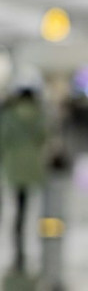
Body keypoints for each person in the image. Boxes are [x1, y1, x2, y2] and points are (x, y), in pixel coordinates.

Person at [0, 89, 48, 271]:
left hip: (13, 165)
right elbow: (43, 138)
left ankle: (17, 244)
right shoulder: (39, 115)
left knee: (15, 206)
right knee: (29, 207)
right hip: (33, 165)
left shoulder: (9, 115)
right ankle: (34, 242)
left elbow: (3, 140)